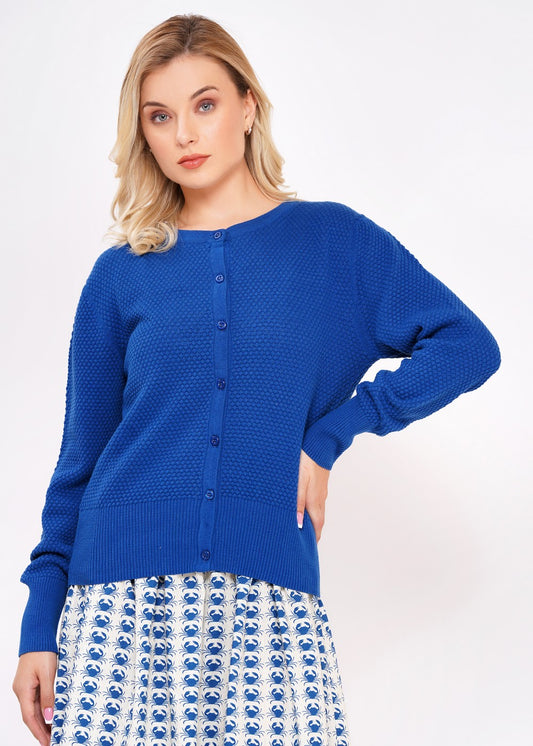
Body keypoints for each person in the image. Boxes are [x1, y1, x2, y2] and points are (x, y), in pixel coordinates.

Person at [12, 12, 501, 746]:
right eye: (159, 116)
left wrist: (333, 433)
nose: (185, 133)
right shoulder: (120, 275)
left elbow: (467, 345)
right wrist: (36, 629)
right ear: (141, 133)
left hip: (268, 609)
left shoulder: (332, 243)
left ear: (247, 106)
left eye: (205, 104)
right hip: (116, 613)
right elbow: (78, 464)